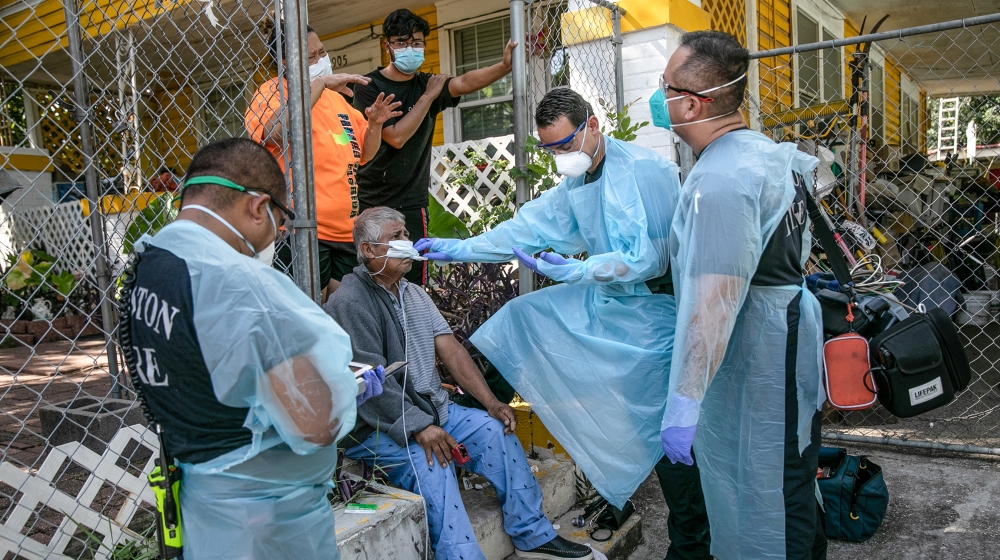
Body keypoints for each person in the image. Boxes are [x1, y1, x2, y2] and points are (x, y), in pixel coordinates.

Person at [415, 88, 712, 559]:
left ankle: (692, 546)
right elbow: (526, 228)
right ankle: (478, 412)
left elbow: (650, 259)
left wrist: (579, 271)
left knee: (664, 435)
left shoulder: (642, 170)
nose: (559, 156)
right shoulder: (579, 181)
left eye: (565, 144)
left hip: (658, 312)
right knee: (520, 317)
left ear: (592, 125)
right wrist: (460, 248)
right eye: (550, 148)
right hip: (613, 302)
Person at [123, 138, 378, 559]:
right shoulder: (240, 286)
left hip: (210, 506)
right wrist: (349, 387)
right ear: (259, 207)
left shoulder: (155, 261)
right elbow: (316, 421)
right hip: (270, 522)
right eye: (281, 218)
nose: (279, 233)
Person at [325, 207, 593, 560]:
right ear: (369, 250)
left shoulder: (413, 293)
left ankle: (533, 535)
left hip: (435, 410)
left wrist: (491, 402)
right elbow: (369, 381)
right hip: (381, 426)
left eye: (406, 234)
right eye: (396, 237)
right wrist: (420, 426)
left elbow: (450, 350)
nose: (407, 242)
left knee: (496, 432)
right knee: (433, 464)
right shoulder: (350, 301)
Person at [653, 31, 827, 559]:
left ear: (691, 103)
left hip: (761, 355)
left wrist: (684, 402)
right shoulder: (761, 154)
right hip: (781, 340)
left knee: (767, 492)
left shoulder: (722, 180)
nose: (658, 96)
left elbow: (713, 303)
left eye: (665, 86)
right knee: (789, 475)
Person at [352, 8, 517, 285]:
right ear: (387, 46)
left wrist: (503, 67)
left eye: (416, 43)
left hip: (412, 202)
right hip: (372, 201)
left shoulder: (427, 83)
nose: (410, 49)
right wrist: (428, 97)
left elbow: (464, 82)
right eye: (401, 43)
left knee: (411, 279)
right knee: (373, 278)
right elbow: (396, 137)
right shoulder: (370, 86)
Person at [245, 20, 402, 292]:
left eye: (322, 51)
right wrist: (320, 83)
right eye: (311, 57)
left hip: (345, 230)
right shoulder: (272, 92)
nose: (320, 60)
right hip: (299, 229)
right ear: (286, 63)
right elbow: (276, 132)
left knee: (342, 307)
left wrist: (375, 124)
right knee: (306, 306)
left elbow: (365, 153)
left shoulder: (336, 100)